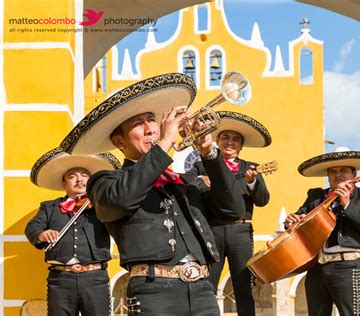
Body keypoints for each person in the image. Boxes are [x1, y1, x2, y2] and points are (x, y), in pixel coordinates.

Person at [59, 73, 245, 315]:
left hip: (203, 291)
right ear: (119, 142)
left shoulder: (185, 181)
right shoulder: (105, 181)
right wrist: (166, 141)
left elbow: (232, 211)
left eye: (151, 120)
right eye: (138, 124)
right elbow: (120, 200)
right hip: (153, 293)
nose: (149, 129)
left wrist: (209, 152)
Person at [185, 111, 272, 316]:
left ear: (241, 146)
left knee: (243, 286)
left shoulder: (250, 168)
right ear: (217, 141)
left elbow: (263, 200)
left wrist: (251, 182)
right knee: (208, 285)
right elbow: (186, 184)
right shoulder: (200, 166)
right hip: (212, 231)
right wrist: (201, 181)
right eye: (225, 137)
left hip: (240, 232)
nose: (230, 142)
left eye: (235, 140)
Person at [284, 147, 360, 316]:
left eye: (344, 170)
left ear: (354, 174)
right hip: (316, 268)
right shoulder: (316, 197)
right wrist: (291, 222)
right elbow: (300, 218)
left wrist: (347, 204)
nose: (338, 174)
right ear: (328, 176)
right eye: (333, 171)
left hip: (346, 267)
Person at [25, 147, 121, 315]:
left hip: (95, 279)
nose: (79, 180)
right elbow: (32, 227)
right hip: (60, 280)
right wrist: (41, 234)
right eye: (72, 176)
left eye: (84, 176)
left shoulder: (101, 205)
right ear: (64, 183)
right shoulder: (49, 207)